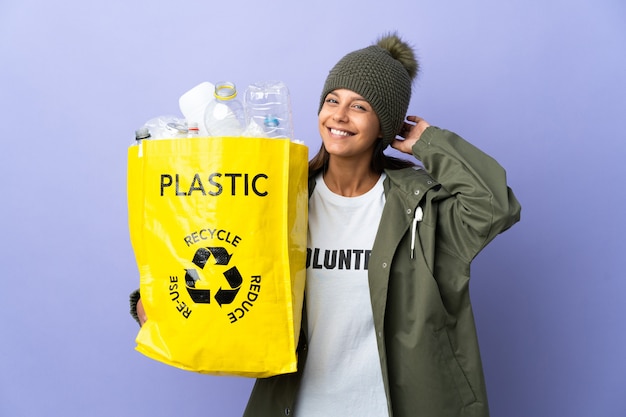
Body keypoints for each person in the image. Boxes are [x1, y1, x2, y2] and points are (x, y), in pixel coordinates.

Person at [131, 32, 521, 417]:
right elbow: (226, 253)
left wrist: (428, 142)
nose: (338, 115)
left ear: (384, 125)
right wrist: (156, 304)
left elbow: (495, 206)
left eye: (360, 107)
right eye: (332, 100)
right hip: (298, 405)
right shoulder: (281, 196)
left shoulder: (421, 208)